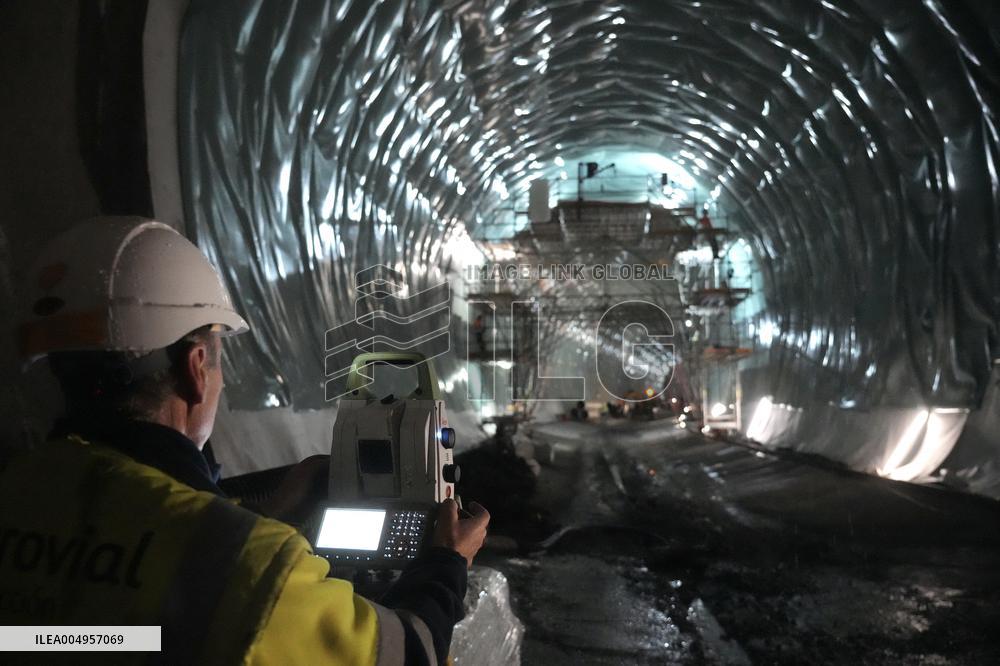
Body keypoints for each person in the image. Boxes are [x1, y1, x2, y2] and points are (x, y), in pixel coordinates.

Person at [1, 217, 489, 664]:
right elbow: (409, 652)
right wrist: (447, 563)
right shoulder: (250, 569)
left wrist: (266, 518)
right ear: (195, 369)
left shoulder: (17, 487)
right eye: (218, 362)